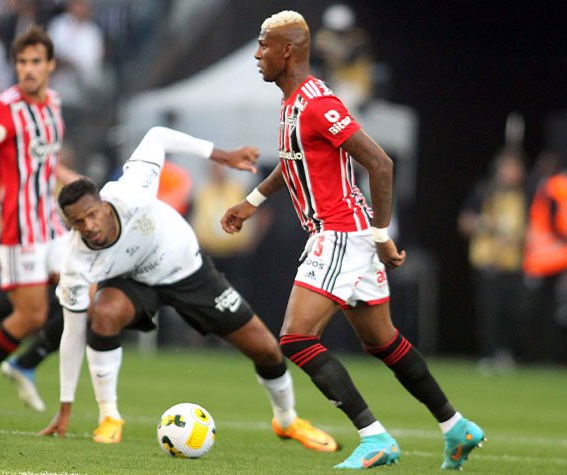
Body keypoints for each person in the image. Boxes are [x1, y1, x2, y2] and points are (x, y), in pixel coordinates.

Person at [220, 11, 484, 470]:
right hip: (347, 232)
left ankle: (374, 437)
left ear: (288, 50)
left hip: (341, 231)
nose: (258, 55)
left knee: (296, 339)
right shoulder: (293, 103)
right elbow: (294, 162)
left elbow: (380, 164)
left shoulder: (318, 103)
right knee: (383, 342)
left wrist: (382, 234)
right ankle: (456, 426)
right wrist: (252, 202)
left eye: (264, 46)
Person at [38, 126, 337, 453]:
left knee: (266, 348)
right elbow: (72, 332)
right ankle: (109, 417)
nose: (89, 227)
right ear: (70, 224)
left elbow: (157, 136)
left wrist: (222, 155)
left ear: (104, 205)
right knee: (104, 313)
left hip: (188, 271)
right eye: (78, 222)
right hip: (134, 280)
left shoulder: (132, 189)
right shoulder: (75, 261)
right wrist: (65, 404)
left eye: (92, 215)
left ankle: (287, 420)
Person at [0, 25, 80, 414]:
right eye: (22, 62)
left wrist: (80, 184)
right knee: (32, 315)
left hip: (51, 223)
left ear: (50, 65)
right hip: (17, 226)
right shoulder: (5, 108)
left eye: (35, 61)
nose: (28, 69)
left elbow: (47, 161)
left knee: (84, 294)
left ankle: (25, 364)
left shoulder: (53, 103)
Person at [457, 148, 527, 370]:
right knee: (489, 311)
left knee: (513, 311)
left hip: (513, 263)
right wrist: (486, 224)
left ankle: (505, 353)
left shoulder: (524, 195)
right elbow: (464, 223)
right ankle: (488, 354)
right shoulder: (484, 191)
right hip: (487, 261)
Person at [523, 158, 567, 363]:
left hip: (548, 259)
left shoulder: (548, 186)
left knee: (547, 310)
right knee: (547, 311)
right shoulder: (555, 186)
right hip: (553, 258)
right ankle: (545, 357)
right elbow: (556, 222)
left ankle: (545, 356)